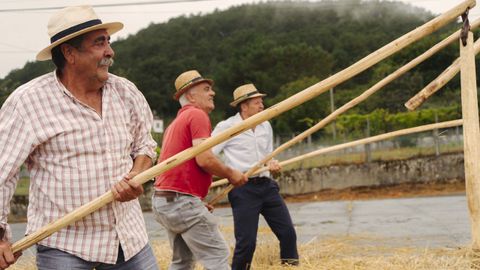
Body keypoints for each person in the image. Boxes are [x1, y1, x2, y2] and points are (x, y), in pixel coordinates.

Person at [0, 6, 159, 270]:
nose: (110, 52)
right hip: (65, 247)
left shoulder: (126, 92)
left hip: (128, 240)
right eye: (99, 43)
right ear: (69, 53)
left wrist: (136, 174)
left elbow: (145, 145)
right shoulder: (29, 102)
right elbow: (2, 171)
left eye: (109, 41)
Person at [152, 70, 248, 270]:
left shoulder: (175, 123)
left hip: (164, 201)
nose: (212, 93)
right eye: (206, 89)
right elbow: (204, 159)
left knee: (182, 262)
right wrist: (232, 174)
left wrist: (195, 201)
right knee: (217, 256)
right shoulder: (197, 115)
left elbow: (178, 171)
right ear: (191, 96)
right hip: (180, 201)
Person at [212, 84, 299, 269]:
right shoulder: (227, 127)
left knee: (288, 233)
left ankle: (290, 267)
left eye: (262, 102)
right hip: (243, 189)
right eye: (257, 102)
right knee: (247, 243)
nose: (262, 106)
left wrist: (272, 164)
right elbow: (209, 155)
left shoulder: (265, 125)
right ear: (244, 106)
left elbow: (268, 156)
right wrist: (229, 172)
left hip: (267, 186)